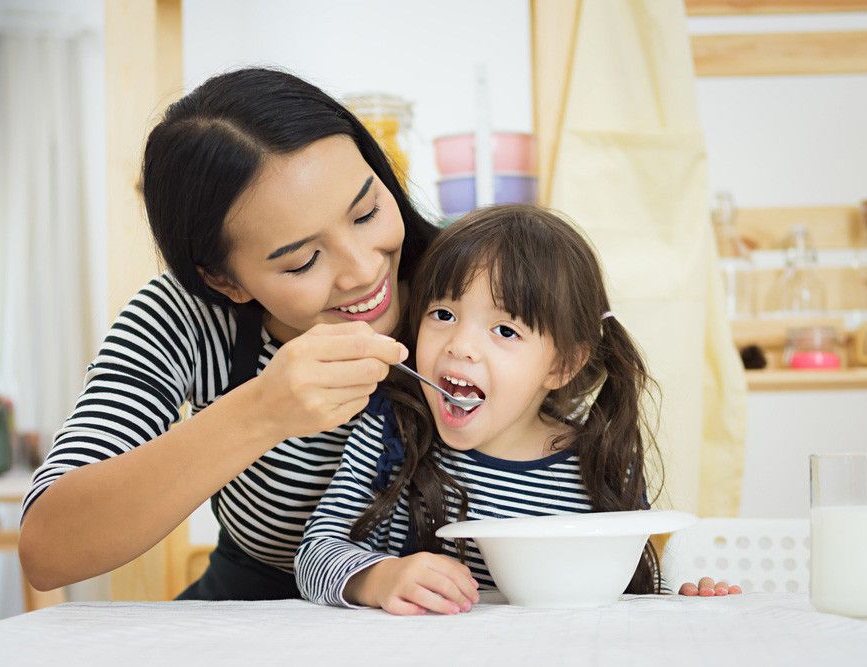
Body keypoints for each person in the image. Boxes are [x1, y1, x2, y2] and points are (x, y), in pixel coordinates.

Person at [18, 67, 439, 600]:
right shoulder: (187, 317)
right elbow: (48, 549)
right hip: (249, 614)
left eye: (366, 212)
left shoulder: (474, 280)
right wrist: (262, 411)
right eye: (303, 260)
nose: (362, 269)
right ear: (224, 280)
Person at [294, 205, 740, 614]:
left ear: (562, 365)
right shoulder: (392, 432)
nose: (460, 346)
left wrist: (679, 603)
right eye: (444, 314)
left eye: (505, 331)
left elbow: (621, 598)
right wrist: (378, 578)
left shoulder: (600, 462)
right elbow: (315, 555)